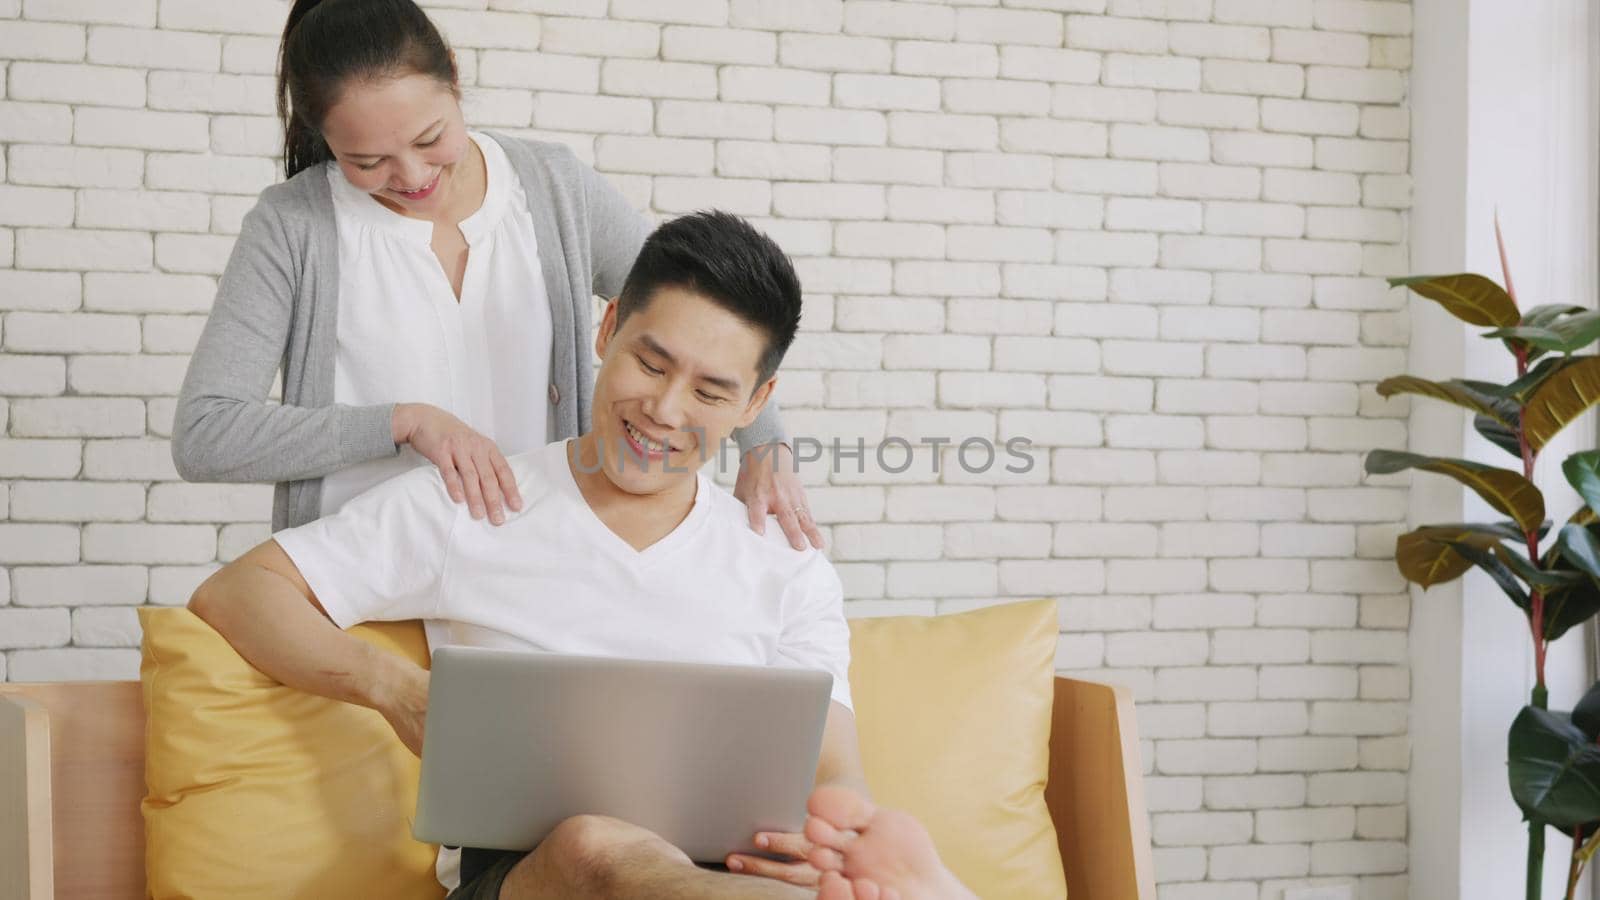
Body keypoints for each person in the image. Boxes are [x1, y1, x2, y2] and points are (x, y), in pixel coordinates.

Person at [190, 210, 974, 898]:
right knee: (591, 843)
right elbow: (239, 592)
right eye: (651, 363)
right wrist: (396, 689)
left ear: (754, 406)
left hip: (730, 870)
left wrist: (831, 846)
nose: (664, 412)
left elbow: (835, 773)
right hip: (533, 878)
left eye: (709, 392)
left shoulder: (784, 562)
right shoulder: (473, 501)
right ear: (606, 333)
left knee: (833, 844)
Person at [170, 0, 822, 605]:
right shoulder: (294, 227)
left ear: (454, 76)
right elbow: (206, 437)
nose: (414, 177)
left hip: (534, 593)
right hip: (358, 596)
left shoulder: (553, 190)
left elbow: (704, 313)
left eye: (430, 139)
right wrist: (402, 422)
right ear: (325, 140)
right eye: (367, 161)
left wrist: (767, 449)